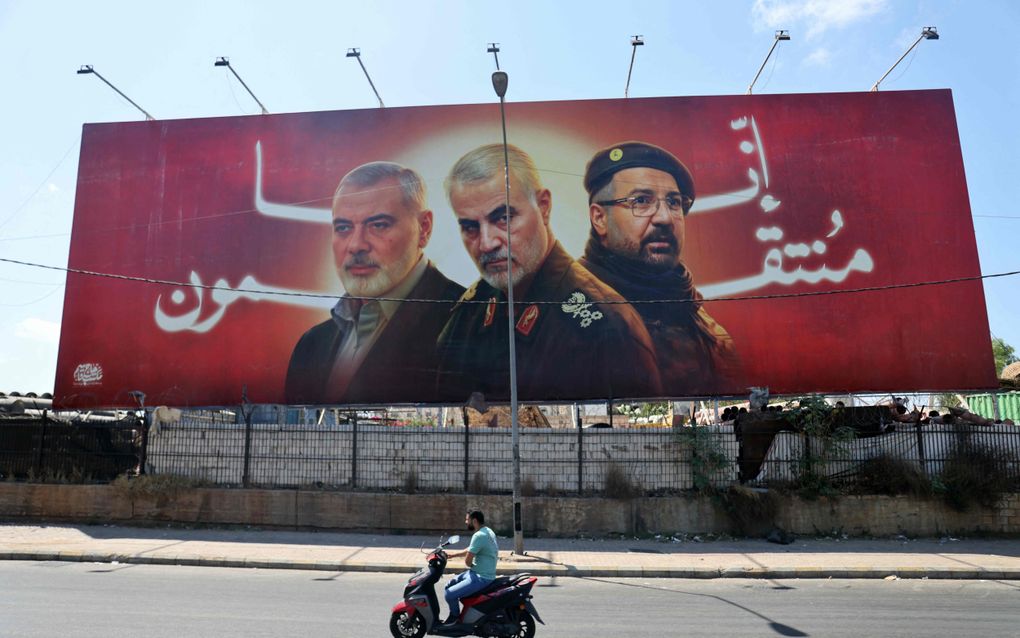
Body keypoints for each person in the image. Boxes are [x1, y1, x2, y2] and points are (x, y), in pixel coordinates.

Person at [435, 144, 662, 402]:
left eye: (504, 218)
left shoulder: (607, 327)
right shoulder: (468, 313)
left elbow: (630, 432)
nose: (487, 243)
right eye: (470, 227)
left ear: (544, 207)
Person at [285, 162, 464, 404]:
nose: (356, 245)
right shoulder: (311, 345)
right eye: (343, 227)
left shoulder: (467, 323)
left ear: (424, 228)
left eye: (378, 225)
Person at [579, 141, 741, 395]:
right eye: (641, 201)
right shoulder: (571, 309)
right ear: (600, 218)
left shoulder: (704, 325)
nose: (665, 218)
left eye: (674, 202)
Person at [441, 510, 499, 626]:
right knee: (449, 585)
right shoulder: (488, 531)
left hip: (481, 577)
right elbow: (472, 549)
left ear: (474, 521)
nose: (465, 522)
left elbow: (467, 561)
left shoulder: (478, 536)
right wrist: (453, 555)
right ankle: (463, 613)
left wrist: (471, 564)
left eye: (467, 520)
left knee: (449, 594)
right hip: (478, 573)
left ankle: (455, 618)